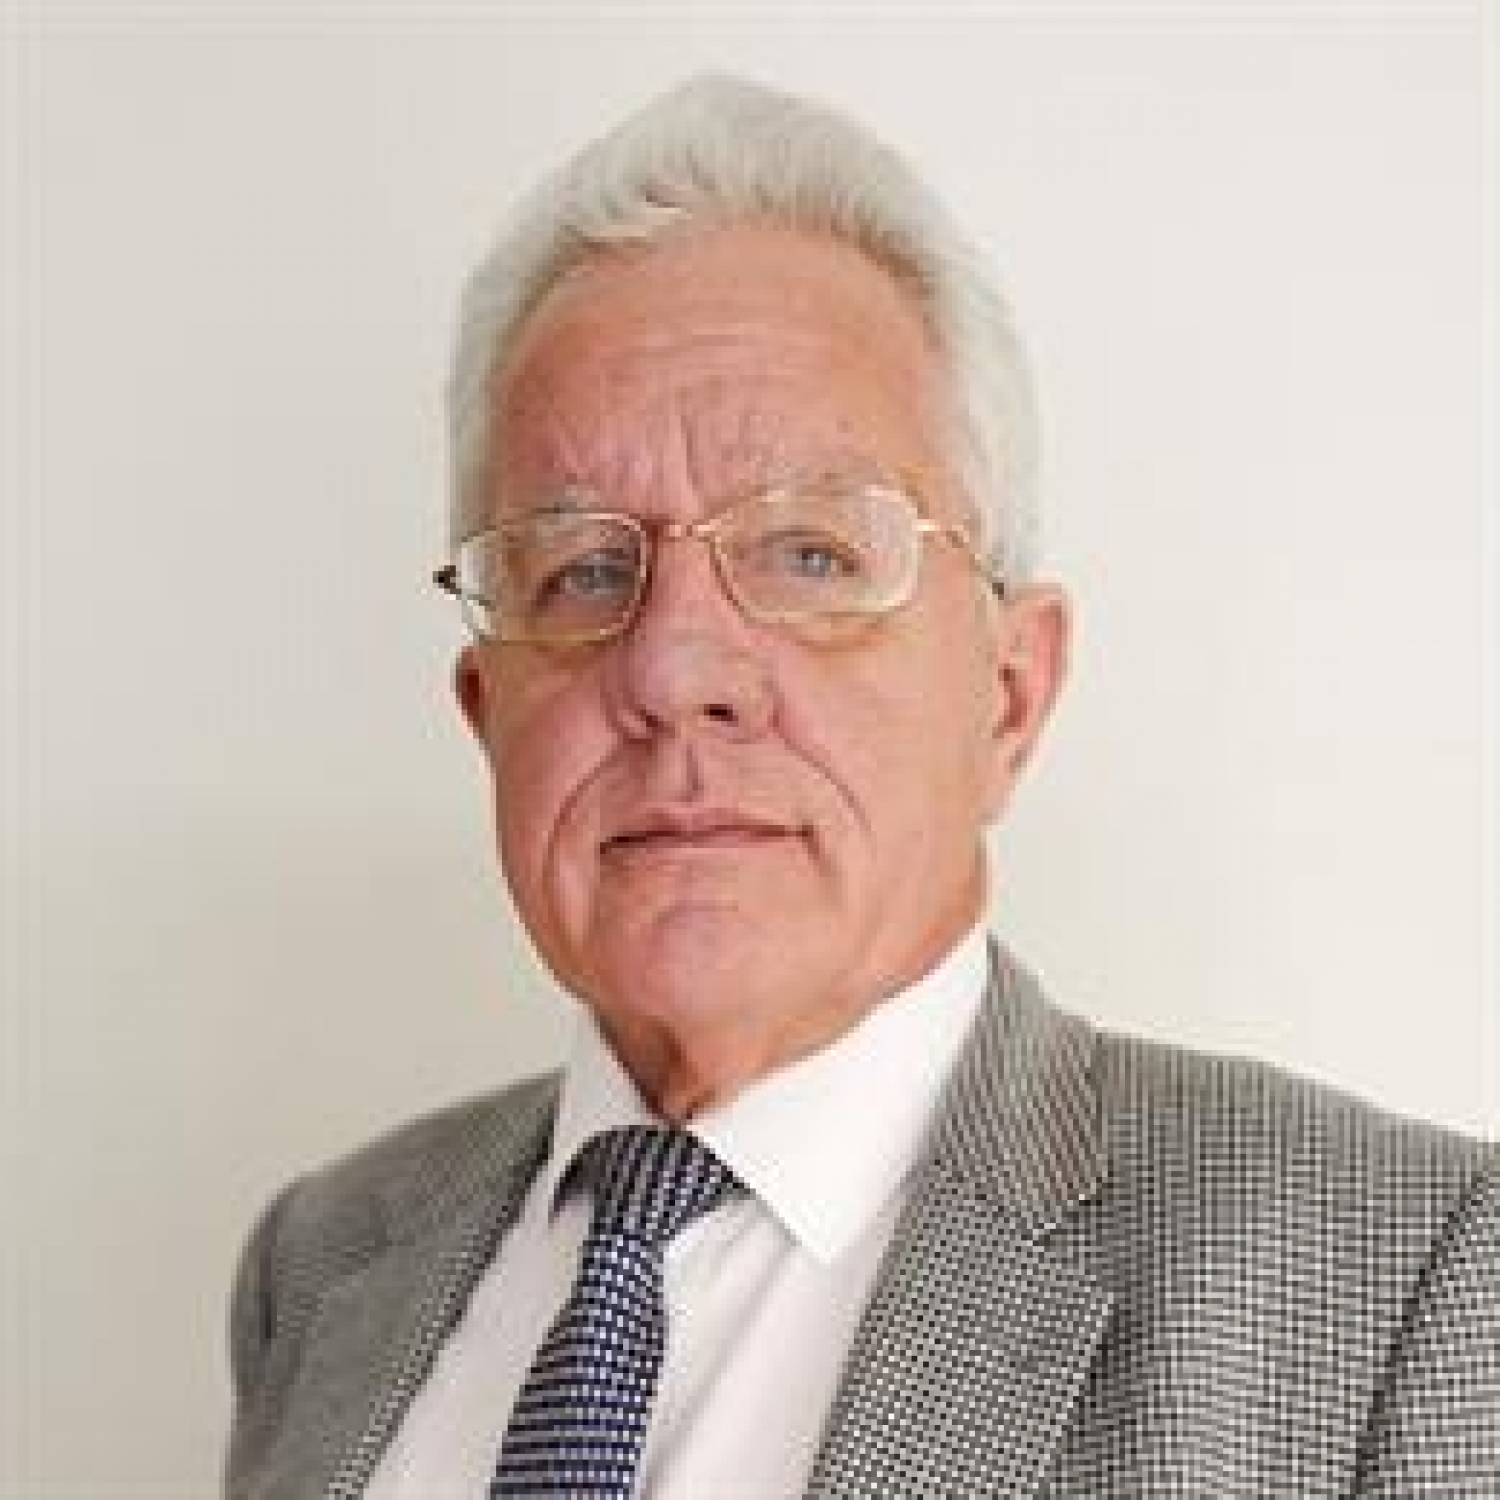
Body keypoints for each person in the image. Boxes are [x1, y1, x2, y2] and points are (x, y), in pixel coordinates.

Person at [225, 75, 1499, 1499]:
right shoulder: (325, 1264)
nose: (675, 669)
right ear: (486, 713)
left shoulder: (1403, 1280)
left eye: (810, 554)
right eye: (582, 570)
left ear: (1011, 693)